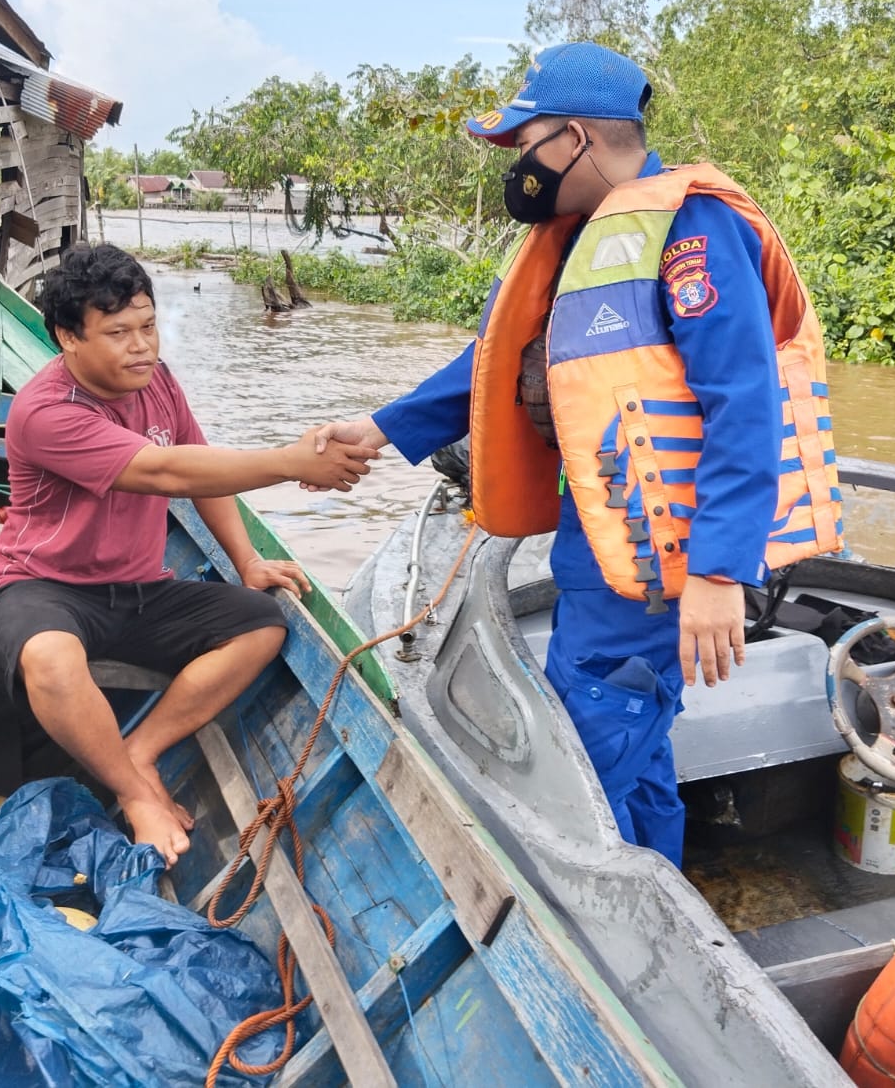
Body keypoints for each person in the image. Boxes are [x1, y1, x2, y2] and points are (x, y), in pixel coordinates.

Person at [314, 43, 842, 866]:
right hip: (598, 530)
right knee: (639, 747)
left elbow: (743, 402)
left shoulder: (691, 231)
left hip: (665, 549)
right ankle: (661, 889)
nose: (519, 166)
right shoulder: (581, 239)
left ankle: (597, 918)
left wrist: (716, 575)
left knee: (590, 749)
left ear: (575, 139)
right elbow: (493, 363)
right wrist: (383, 428)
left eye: (526, 145)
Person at [0, 243, 377, 867]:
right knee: (51, 660)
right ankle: (135, 793)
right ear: (67, 338)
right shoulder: (45, 411)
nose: (141, 346)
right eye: (118, 333)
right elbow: (161, 471)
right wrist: (290, 463)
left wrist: (245, 561)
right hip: (42, 585)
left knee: (262, 625)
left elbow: (200, 468)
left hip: (139, 588)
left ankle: (140, 749)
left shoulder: (157, 382)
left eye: (148, 326)